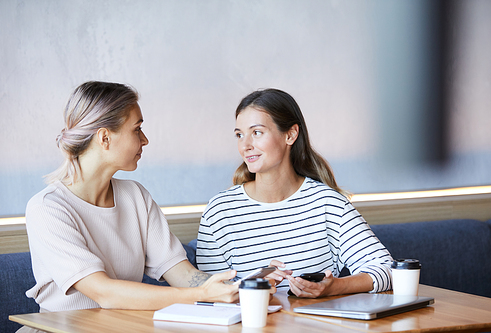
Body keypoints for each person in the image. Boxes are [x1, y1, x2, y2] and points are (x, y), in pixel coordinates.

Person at [23, 81, 239, 320]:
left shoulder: (136, 197)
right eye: (137, 129)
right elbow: (104, 293)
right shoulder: (48, 209)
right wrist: (201, 295)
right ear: (104, 137)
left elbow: (181, 273)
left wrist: (239, 290)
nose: (145, 140)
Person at [196, 88, 393, 298]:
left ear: (290, 135)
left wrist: (334, 287)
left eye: (257, 132)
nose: (245, 146)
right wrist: (255, 285)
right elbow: (209, 295)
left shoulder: (328, 204)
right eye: (239, 135)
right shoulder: (220, 211)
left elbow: (388, 269)